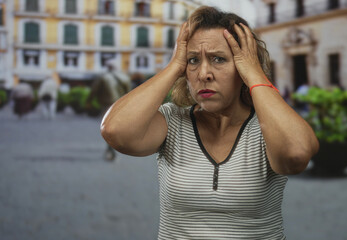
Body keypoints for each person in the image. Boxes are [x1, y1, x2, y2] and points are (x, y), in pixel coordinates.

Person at [101, 6, 319, 239]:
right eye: (193, 60)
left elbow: (296, 156)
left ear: (244, 66)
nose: (204, 73)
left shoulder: (268, 126)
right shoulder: (172, 120)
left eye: (219, 59)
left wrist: (255, 75)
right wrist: (175, 65)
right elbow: (115, 131)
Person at [87, 59, 131, 161]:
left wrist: (89, 101)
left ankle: (111, 149)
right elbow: (129, 93)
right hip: (121, 105)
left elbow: (94, 90)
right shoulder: (124, 77)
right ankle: (113, 148)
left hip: (107, 106)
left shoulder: (103, 77)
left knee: (108, 129)